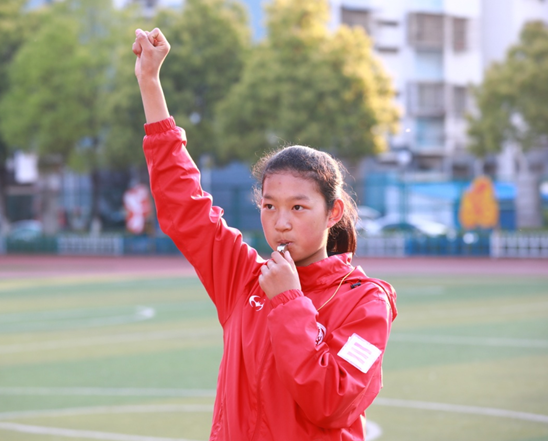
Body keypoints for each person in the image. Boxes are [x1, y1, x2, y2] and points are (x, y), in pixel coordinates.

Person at [133, 27, 397, 441]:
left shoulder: (364, 301)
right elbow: (183, 204)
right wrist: (150, 83)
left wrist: (290, 300)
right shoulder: (242, 276)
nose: (281, 221)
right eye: (270, 206)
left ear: (334, 213)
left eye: (298, 207)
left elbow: (332, 404)